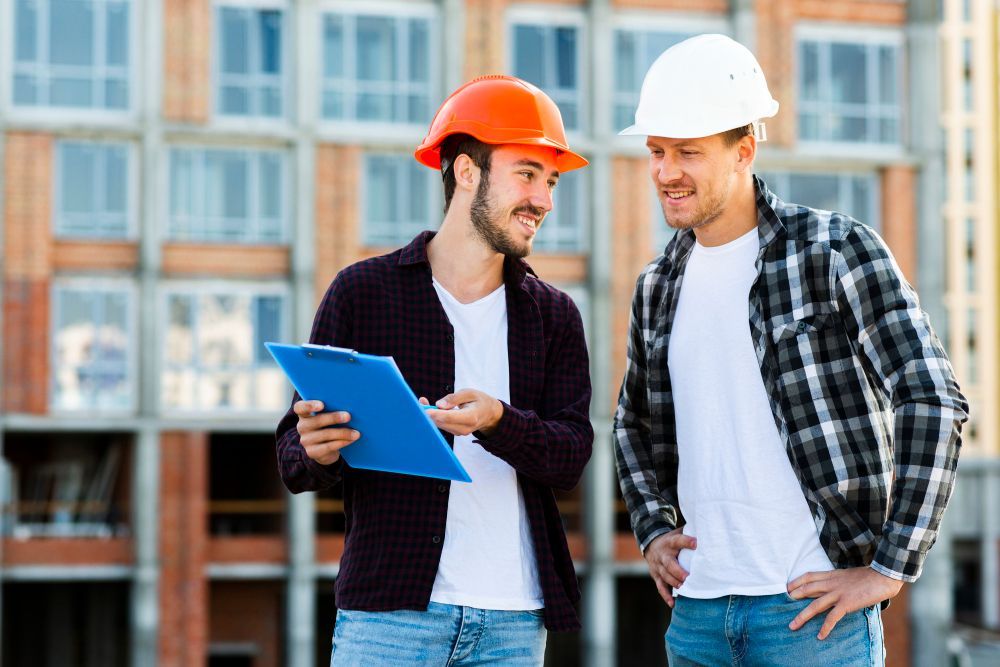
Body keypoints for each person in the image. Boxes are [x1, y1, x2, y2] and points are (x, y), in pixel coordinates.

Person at [612, 34, 968, 665]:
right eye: (657, 152)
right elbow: (632, 422)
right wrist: (652, 528)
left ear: (743, 150)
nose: (666, 172)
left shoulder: (832, 250)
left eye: (687, 153)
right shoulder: (657, 286)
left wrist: (891, 568)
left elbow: (931, 397)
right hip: (697, 619)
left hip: (810, 617)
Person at [275, 75, 593, 666]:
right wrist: (313, 447)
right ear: (466, 172)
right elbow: (293, 461)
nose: (544, 200)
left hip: (513, 621)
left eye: (550, 182)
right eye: (527, 174)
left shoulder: (553, 316)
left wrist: (499, 422)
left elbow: (571, 457)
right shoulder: (362, 293)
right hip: (389, 618)